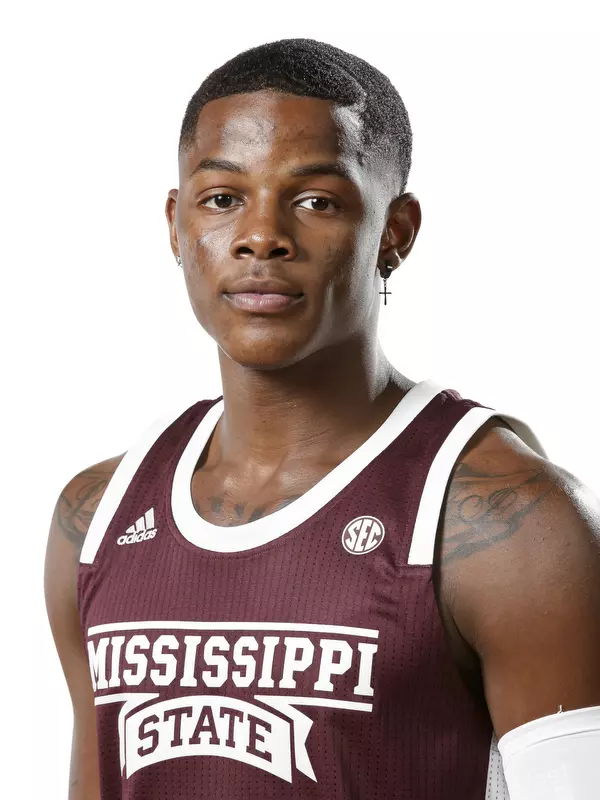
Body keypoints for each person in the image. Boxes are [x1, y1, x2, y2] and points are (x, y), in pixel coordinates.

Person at [44, 37, 600, 800]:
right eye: (222, 198)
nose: (261, 236)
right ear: (176, 225)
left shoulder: (510, 525)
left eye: (316, 201)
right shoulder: (97, 516)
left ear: (395, 232)